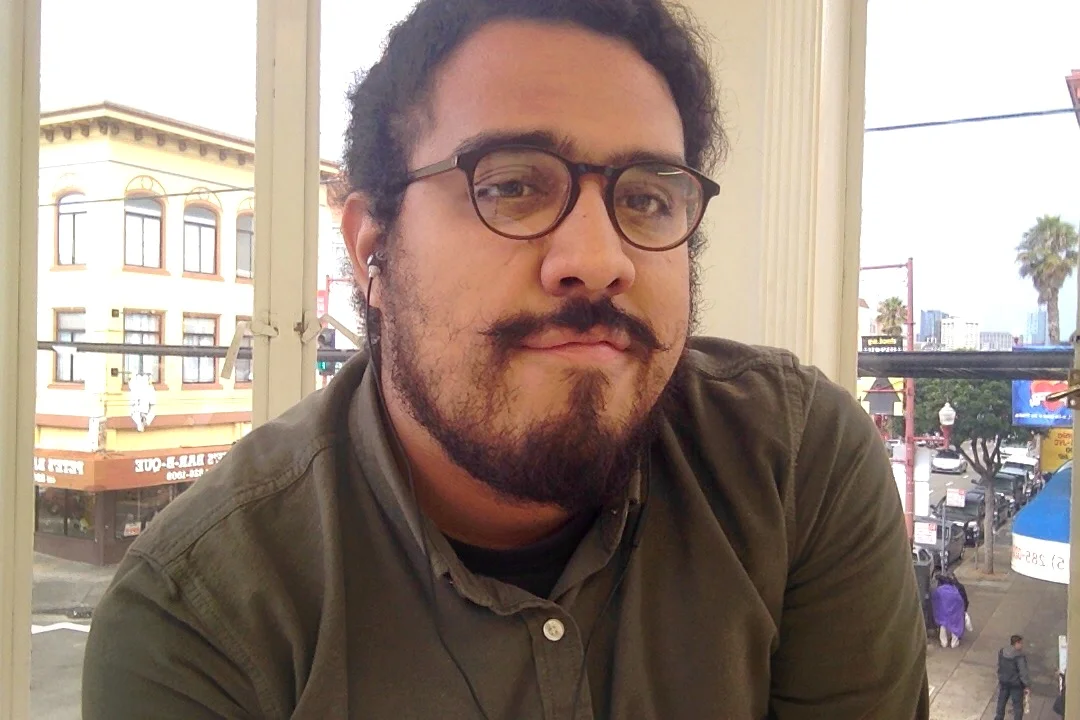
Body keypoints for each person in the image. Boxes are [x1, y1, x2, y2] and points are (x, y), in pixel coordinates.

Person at [81, 1, 929, 717]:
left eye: (646, 197)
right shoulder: (201, 619)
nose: (599, 259)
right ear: (372, 248)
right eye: (512, 185)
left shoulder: (795, 468)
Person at [995, 635, 1032, 720]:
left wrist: (1000, 676)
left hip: (1004, 681)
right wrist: (1027, 685)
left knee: (1001, 702)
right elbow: (1023, 672)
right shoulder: (1019, 656)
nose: (1022, 645)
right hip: (1015, 684)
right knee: (1017, 706)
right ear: (1016, 643)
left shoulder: (1002, 652)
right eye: (1021, 643)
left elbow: (1000, 665)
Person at [931, 575, 966, 648]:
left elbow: (934, 600)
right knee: (955, 626)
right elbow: (960, 600)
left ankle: (944, 643)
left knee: (943, 626)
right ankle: (954, 643)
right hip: (954, 610)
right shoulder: (954, 589)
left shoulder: (939, 590)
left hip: (943, 611)